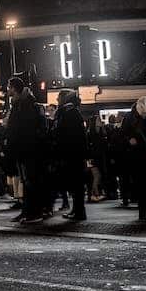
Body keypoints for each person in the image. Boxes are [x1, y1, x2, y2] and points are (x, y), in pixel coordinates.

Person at [3, 77, 50, 224]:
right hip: (22, 150)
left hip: (28, 150)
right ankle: (26, 211)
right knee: (26, 182)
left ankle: (34, 212)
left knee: (31, 181)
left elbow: (25, 128)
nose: (7, 89)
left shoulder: (26, 104)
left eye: (8, 86)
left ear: (14, 88)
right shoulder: (18, 104)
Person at [121, 97, 146, 221]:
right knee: (142, 184)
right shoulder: (129, 118)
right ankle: (143, 212)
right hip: (137, 155)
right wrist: (129, 139)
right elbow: (122, 134)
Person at [53, 90, 88, 221]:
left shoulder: (70, 113)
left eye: (59, 98)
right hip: (73, 153)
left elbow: (69, 135)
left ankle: (79, 211)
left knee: (76, 184)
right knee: (75, 184)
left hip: (72, 154)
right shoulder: (71, 112)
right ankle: (77, 210)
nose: (57, 100)